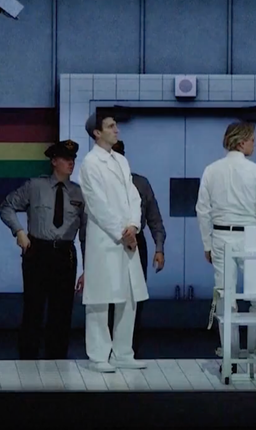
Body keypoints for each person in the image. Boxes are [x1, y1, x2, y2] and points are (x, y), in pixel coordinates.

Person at [195, 121, 256, 375]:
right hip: (253, 236)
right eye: (252, 140)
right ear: (241, 142)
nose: (254, 144)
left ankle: (230, 357)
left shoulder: (211, 170)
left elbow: (202, 210)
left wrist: (207, 243)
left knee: (225, 298)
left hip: (221, 235)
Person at [0, 139, 86, 360]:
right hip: (38, 251)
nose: (71, 163)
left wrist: (88, 269)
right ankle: (27, 361)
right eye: (65, 159)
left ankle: (57, 362)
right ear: (54, 161)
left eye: (73, 159)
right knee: (33, 309)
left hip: (65, 254)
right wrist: (19, 231)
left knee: (62, 312)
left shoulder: (79, 193)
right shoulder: (35, 186)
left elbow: (86, 234)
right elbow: (7, 206)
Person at [78, 112, 148, 373]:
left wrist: (134, 225)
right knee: (100, 299)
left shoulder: (121, 160)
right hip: (106, 238)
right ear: (97, 132)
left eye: (115, 125)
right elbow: (98, 205)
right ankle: (98, 355)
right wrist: (122, 232)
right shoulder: (90, 163)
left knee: (128, 296)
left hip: (127, 237)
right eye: (110, 126)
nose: (116, 129)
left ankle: (123, 352)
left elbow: (134, 197)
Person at [107, 140, 166, 357]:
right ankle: (106, 351)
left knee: (134, 299)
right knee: (107, 299)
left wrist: (159, 249)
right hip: (108, 242)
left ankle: (130, 350)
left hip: (135, 242)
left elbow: (155, 220)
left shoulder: (139, 184)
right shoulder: (99, 185)